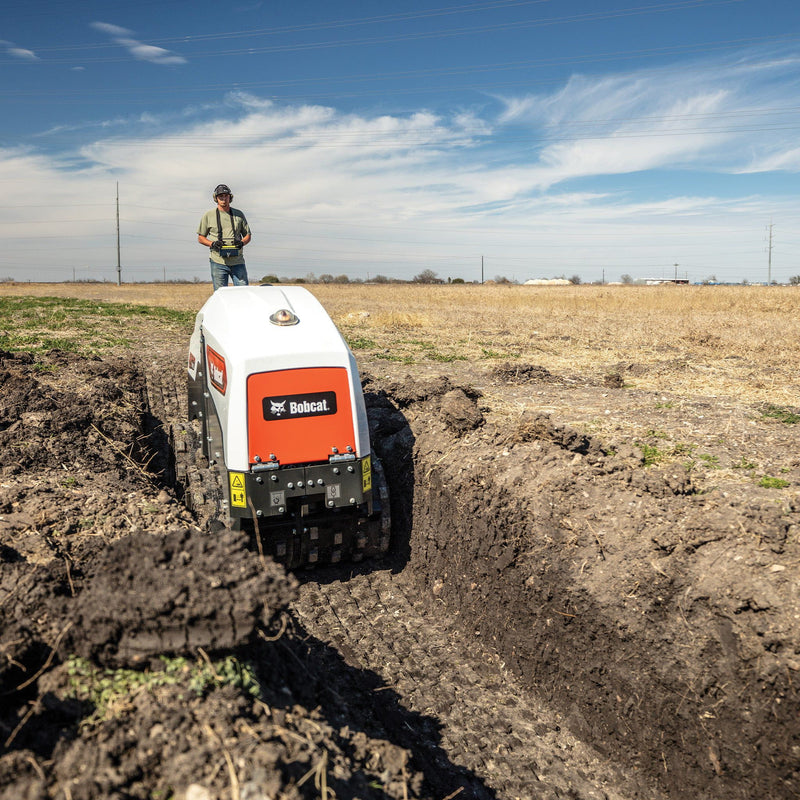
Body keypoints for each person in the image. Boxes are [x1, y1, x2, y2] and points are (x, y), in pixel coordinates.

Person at [197, 184, 252, 291]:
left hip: (237, 261)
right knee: (220, 294)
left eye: (226, 196)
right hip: (218, 261)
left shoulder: (238, 214)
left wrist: (242, 242)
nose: (223, 199)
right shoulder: (208, 215)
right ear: (216, 198)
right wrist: (212, 244)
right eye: (220, 196)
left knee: (244, 292)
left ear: (230, 197)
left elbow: (248, 235)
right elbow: (201, 238)